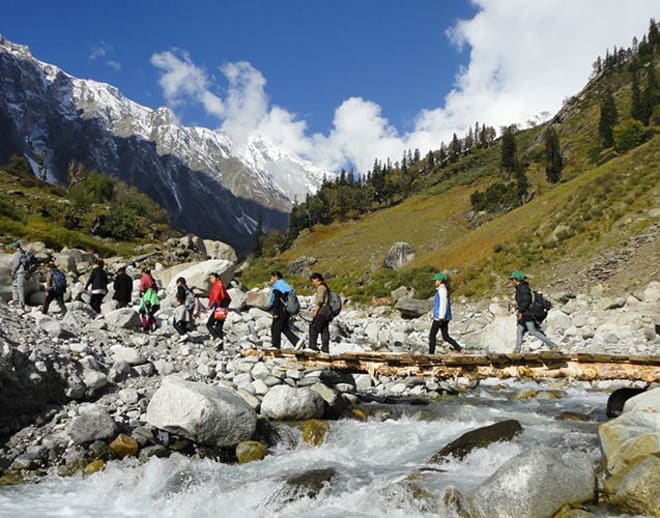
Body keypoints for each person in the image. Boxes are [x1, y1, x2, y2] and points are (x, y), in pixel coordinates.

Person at [509, 271, 558, 353]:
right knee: (519, 330)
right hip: (524, 313)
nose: (511, 282)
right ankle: (517, 350)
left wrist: (520, 311)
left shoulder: (523, 288)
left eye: (512, 279)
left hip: (527, 314)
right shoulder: (520, 288)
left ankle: (552, 345)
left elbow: (526, 301)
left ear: (516, 280)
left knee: (533, 331)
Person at [268, 271, 303, 350]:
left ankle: (275, 346)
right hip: (286, 310)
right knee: (284, 328)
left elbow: (277, 300)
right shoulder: (286, 286)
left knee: (275, 327)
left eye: (272, 277)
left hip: (280, 310)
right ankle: (297, 342)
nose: (271, 279)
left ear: (275, 277)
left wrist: (275, 312)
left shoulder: (277, 287)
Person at [429, 273, 462, 354]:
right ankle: (460, 349)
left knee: (432, 335)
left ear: (440, 281)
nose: (435, 282)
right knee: (445, 336)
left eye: (436, 280)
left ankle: (431, 353)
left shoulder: (442, 290)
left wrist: (440, 316)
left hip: (440, 317)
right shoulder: (443, 290)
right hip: (444, 317)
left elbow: (443, 304)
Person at [308, 272, 332, 353]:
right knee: (324, 329)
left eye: (313, 281)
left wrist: (315, 311)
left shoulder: (321, 288)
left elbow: (320, 301)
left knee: (313, 327)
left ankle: (312, 346)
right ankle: (325, 348)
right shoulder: (326, 287)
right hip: (327, 311)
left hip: (322, 311)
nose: (313, 283)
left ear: (317, 279)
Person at [206, 272, 229, 347]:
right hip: (224, 309)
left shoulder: (217, 286)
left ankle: (217, 338)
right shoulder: (221, 285)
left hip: (218, 309)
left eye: (212, 278)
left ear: (217, 278)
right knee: (219, 327)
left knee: (209, 324)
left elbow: (217, 298)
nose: (211, 280)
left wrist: (210, 306)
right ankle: (221, 346)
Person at [9, 241, 28, 310]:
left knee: (19, 287)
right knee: (14, 286)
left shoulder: (17, 254)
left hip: (20, 272)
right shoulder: (23, 252)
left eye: (12, 247)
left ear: (15, 247)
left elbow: (16, 264)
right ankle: (16, 301)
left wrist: (13, 272)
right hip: (22, 272)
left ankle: (21, 304)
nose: (11, 249)